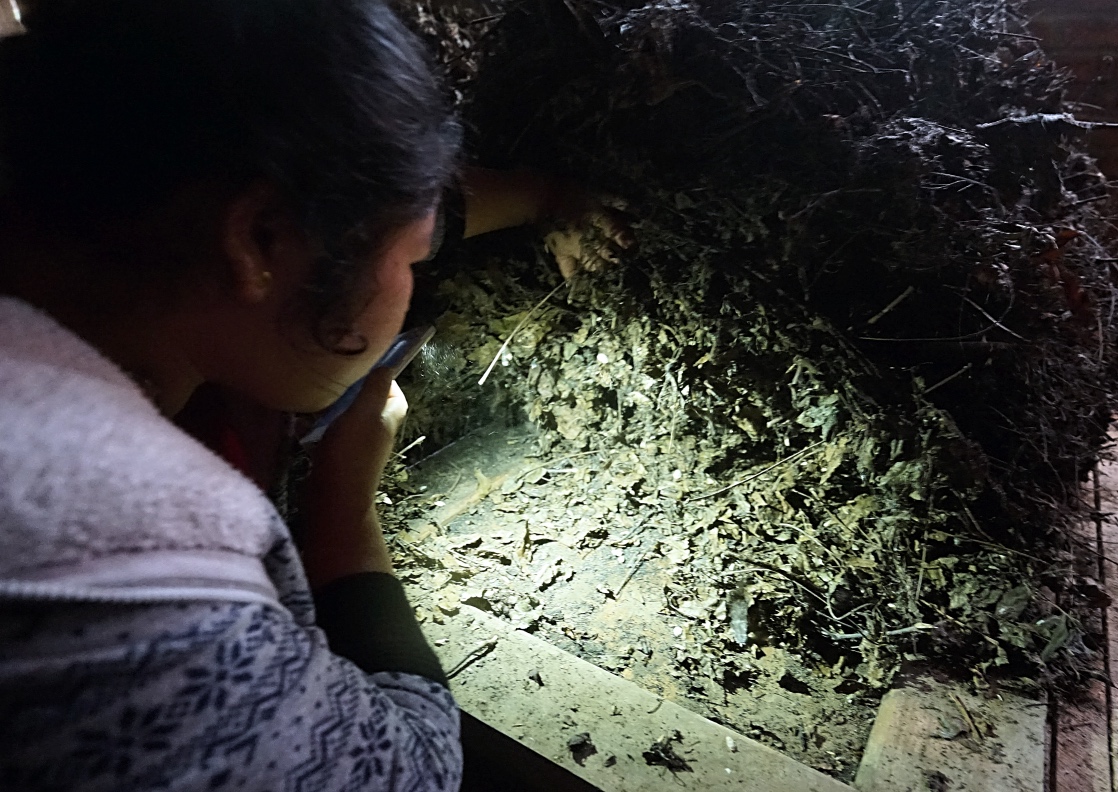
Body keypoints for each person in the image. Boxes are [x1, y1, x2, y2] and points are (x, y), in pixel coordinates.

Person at [0, 1, 471, 789]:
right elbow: (413, 768)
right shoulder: (139, 579)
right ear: (261, 240)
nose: (408, 288)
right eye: (414, 259)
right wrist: (344, 498)